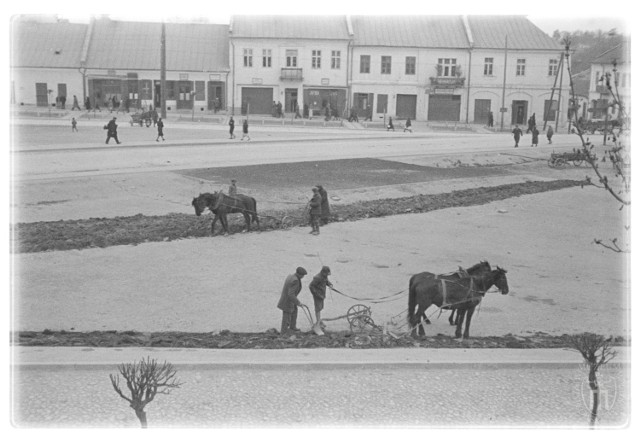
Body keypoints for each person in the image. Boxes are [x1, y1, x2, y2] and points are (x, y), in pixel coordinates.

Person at [277, 267, 307, 334]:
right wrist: (298, 303)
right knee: (286, 317)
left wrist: (296, 303)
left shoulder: (291, 276)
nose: (303, 277)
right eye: (303, 275)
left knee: (294, 311)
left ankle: (293, 327)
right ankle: (284, 332)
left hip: (290, 300)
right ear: (299, 274)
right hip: (287, 301)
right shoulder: (295, 280)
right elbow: (291, 294)